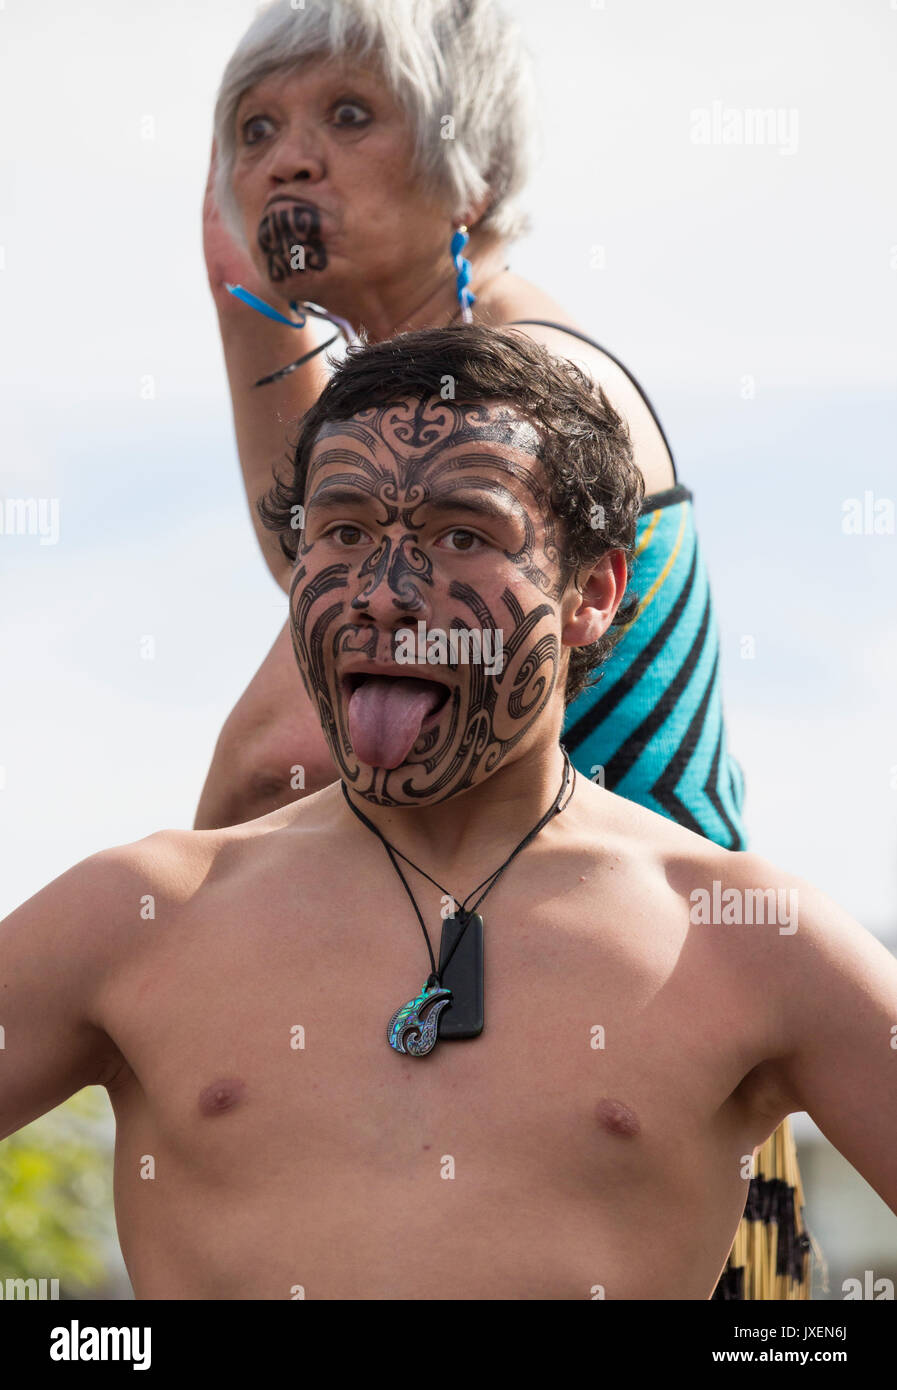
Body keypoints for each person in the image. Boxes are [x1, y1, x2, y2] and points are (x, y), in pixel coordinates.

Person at [2, 327, 894, 1301]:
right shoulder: (140, 915)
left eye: (462, 535)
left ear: (596, 590)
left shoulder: (740, 937)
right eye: (341, 532)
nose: (383, 596)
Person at [197, 0, 799, 1295]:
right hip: (655, 1059)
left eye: (349, 116)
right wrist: (245, 301)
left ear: (471, 158)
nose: (289, 161)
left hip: (625, 1074)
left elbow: (286, 751)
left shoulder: (507, 391)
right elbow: (319, 573)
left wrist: (185, 965)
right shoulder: (457, 381)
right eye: (255, 131)